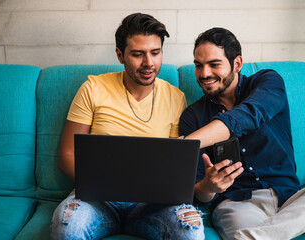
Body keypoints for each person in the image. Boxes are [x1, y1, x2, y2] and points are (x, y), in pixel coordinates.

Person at [179, 27, 305, 240]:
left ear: (237, 63)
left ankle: (256, 236)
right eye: (198, 65)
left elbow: (249, 114)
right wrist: (209, 186)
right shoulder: (192, 117)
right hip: (237, 206)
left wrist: (186, 144)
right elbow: (198, 194)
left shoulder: (267, 82)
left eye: (214, 64)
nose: (204, 74)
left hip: (289, 200)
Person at [51, 13, 204, 240]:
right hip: (97, 200)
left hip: (152, 204)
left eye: (155, 52)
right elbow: (66, 155)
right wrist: (105, 186)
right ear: (120, 55)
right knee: (67, 227)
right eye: (137, 54)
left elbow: (174, 163)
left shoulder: (175, 97)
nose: (149, 63)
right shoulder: (93, 88)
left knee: (190, 231)